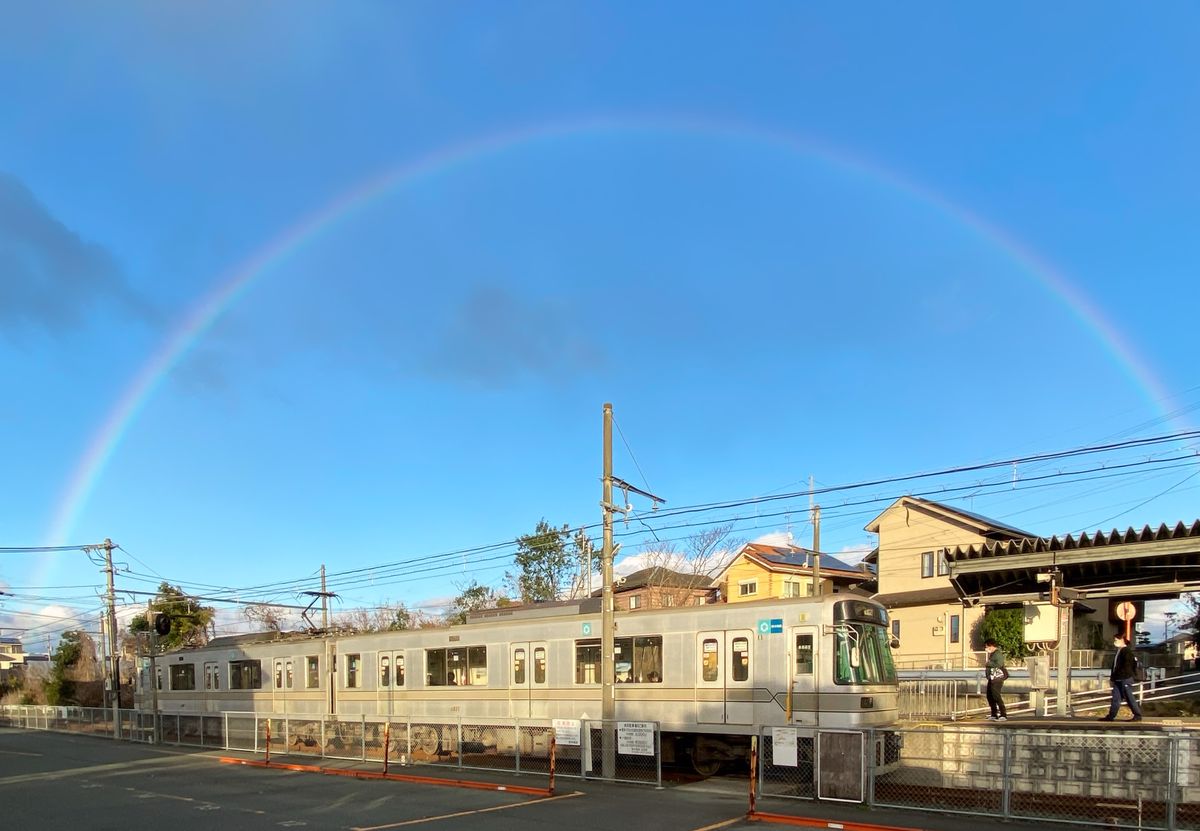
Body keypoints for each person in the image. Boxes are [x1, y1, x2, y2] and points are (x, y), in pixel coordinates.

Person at [1099, 633, 1143, 722]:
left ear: (1122, 640)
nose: (1114, 642)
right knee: (1116, 698)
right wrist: (1113, 678)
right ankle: (1111, 716)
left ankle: (1137, 715)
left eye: (1116, 640)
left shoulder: (1126, 651)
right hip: (1118, 679)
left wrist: (1120, 675)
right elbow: (1115, 666)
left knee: (1129, 697)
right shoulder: (1120, 651)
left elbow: (1128, 665)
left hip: (1125, 678)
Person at [984, 639, 1008, 721]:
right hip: (992, 677)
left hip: (997, 678)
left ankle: (1003, 714)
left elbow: (999, 664)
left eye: (987, 646)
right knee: (989, 695)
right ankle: (994, 714)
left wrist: (988, 663)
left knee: (996, 695)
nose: (986, 648)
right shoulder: (992, 654)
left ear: (991, 646)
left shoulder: (997, 654)